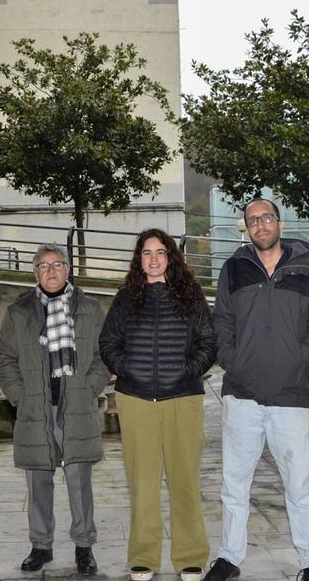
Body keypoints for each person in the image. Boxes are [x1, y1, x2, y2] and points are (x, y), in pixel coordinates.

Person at [204, 198, 309, 581]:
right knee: (234, 483)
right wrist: (231, 359)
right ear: (246, 227)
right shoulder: (234, 268)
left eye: (266, 218)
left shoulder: (307, 267)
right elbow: (221, 319)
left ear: (279, 222)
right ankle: (229, 558)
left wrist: (301, 356)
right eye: (252, 220)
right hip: (241, 393)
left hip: (291, 395)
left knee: (300, 482)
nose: (260, 225)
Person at [99, 229, 217, 581]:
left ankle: (190, 556)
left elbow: (209, 344)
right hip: (136, 401)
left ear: (171, 257)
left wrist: (185, 371)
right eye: (146, 252)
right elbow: (108, 343)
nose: (153, 258)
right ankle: (143, 558)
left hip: (183, 399)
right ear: (139, 259)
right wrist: (127, 369)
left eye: (160, 252)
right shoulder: (125, 299)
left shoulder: (192, 296)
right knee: (142, 483)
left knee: (184, 481)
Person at [0, 243, 111, 576]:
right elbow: (3, 358)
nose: (51, 271)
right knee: (38, 484)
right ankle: (41, 546)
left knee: (79, 483)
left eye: (57, 264)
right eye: (43, 266)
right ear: (35, 272)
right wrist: (19, 395)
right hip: (36, 409)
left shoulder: (89, 309)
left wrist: (89, 388)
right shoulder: (20, 312)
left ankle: (84, 547)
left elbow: (105, 356)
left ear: (68, 269)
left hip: (76, 407)